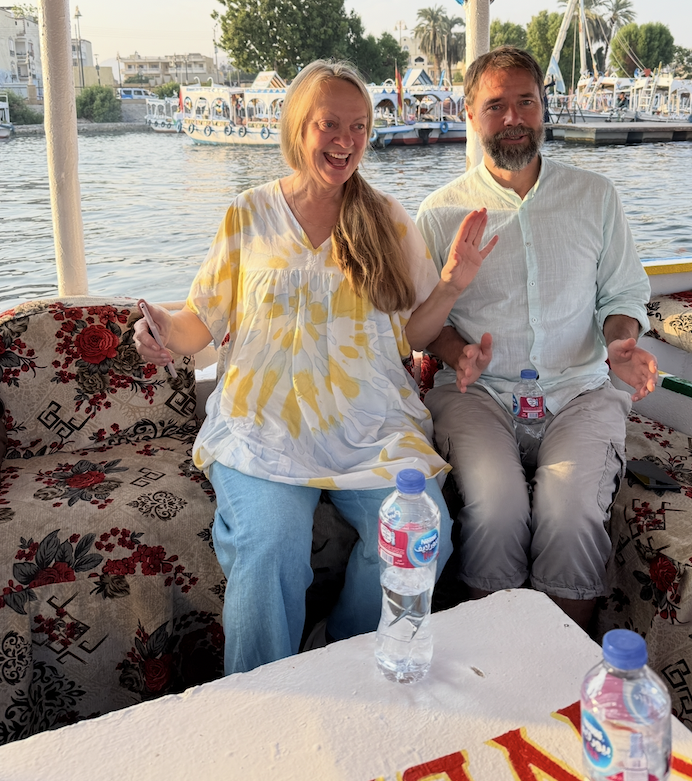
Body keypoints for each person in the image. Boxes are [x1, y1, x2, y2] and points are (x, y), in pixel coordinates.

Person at [133, 59, 495, 674]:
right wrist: (163, 330)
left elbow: (412, 333)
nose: (346, 140)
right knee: (269, 545)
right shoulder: (248, 214)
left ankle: (341, 658)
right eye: (330, 123)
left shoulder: (387, 219)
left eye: (359, 126)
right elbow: (201, 320)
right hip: (263, 421)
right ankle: (260, 700)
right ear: (298, 127)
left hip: (370, 421)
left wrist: (453, 285)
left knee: (418, 537)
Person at [416, 47, 657, 631]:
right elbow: (420, 326)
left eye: (526, 101)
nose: (513, 118)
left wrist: (620, 342)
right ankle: (496, 662)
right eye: (495, 105)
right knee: (497, 510)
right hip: (479, 396)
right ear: (470, 114)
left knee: (569, 512)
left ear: (544, 107)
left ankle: (564, 661)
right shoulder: (439, 213)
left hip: (579, 391)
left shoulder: (595, 196)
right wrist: (455, 351)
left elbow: (623, 295)